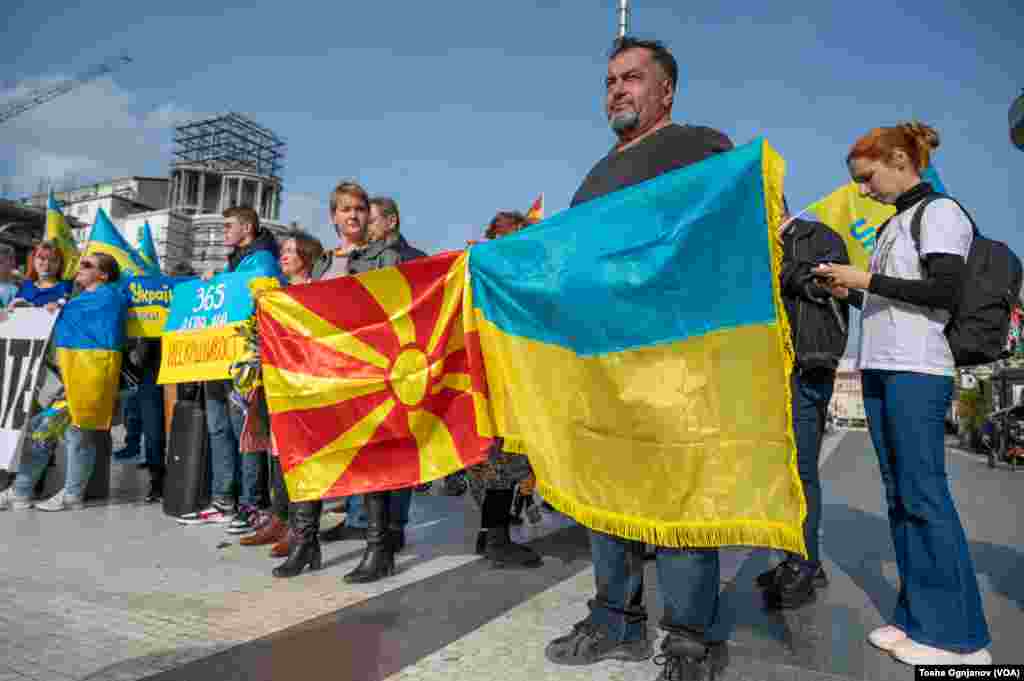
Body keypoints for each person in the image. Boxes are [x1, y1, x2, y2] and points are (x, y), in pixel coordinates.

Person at [542, 37, 734, 680]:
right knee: (606, 491)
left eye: (632, 78)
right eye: (609, 82)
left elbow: (723, 234)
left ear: (666, 91)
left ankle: (690, 639)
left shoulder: (698, 146)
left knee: (678, 499)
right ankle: (615, 620)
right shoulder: (594, 178)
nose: (617, 90)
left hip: (673, 356)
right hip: (603, 361)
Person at [816, 122, 991, 666]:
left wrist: (863, 280)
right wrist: (849, 290)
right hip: (883, 367)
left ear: (898, 160)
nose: (862, 191)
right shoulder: (896, 224)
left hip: (918, 370)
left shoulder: (941, 213)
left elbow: (943, 290)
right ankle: (918, 619)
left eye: (867, 179)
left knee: (924, 499)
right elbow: (894, 300)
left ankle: (962, 640)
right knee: (900, 498)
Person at [755, 201, 852, 608]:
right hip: (766, 370)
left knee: (799, 468)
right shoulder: (759, 249)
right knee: (780, 469)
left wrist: (775, 268)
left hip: (804, 367)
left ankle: (805, 567)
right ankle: (800, 556)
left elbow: (826, 285)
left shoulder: (818, 237)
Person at [179, 207, 281, 533]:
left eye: (228, 226)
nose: (224, 232)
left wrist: (221, 282)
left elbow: (257, 301)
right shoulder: (235, 262)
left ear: (247, 227)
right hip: (216, 360)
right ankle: (224, 499)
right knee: (218, 429)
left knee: (244, 434)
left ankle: (252, 504)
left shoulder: (263, 261)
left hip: (242, 362)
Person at [333, 196, 426, 552]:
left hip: (401, 367)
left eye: (371, 220)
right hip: (365, 365)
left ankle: (394, 525)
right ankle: (359, 518)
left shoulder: (415, 259)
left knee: (397, 448)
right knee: (364, 445)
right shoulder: (358, 259)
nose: (365, 226)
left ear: (391, 221)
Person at [465, 210, 542, 569]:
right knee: (501, 462)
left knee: (499, 462)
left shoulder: (485, 274)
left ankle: (490, 534)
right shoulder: (485, 276)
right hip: (496, 381)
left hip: (500, 380)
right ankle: (496, 539)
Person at [242, 231, 324, 564]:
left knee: (298, 457)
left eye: (291, 251)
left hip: (301, 386)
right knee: (277, 452)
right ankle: (280, 519)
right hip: (277, 383)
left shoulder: (314, 294)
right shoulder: (279, 294)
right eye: (284, 250)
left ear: (306, 256)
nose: (284, 255)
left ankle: (301, 531)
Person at [35, 253, 126, 511]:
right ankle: (22, 489)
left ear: (104, 275)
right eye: (80, 264)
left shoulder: (111, 296)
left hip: (90, 374)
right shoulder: (81, 298)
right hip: (72, 372)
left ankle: (72, 495)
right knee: (47, 428)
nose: (79, 269)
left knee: (77, 434)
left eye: (87, 265)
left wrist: (58, 308)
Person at [9, 241, 73, 310]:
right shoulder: (26, 286)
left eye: (53, 260)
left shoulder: (67, 287)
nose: (47, 264)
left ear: (60, 264)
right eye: (42, 258)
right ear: (33, 261)